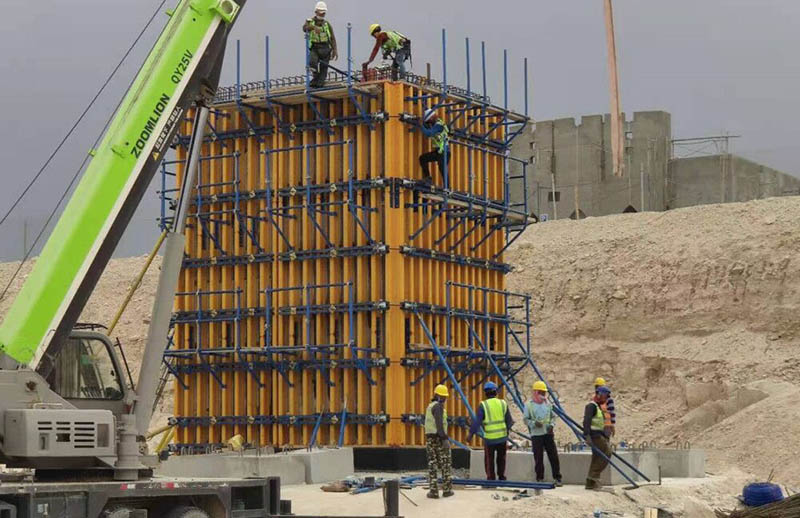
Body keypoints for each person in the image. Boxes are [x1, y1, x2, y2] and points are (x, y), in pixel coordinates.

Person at [467, 381, 513, 481]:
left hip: (490, 439)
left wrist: (470, 434)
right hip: (502, 438)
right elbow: (509, 421)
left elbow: (477, 422)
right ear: (496, 392)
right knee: (501, 459)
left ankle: (491, 479)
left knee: (489, 460)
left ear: (485, 393)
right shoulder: (503, 403)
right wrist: (506, 433)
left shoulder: (483, 405)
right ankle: (501, 477)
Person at [523, 381, 563, 486]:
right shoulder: (528, 405)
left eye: (544, 393)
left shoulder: (548, 404)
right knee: (538, 457)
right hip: (536, 434)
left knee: (553, 456)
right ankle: (539, 478)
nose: (543, 395)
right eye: (541, 392)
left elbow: (553, 416)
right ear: (536, 392)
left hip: (548, 433)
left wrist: (552, 425)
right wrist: (533, 423)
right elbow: (526, 419)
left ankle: (557, 477)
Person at [425, 384, 454, 499]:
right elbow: (439, 424)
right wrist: (444, 439)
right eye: (443, 396)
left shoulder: (430, 406)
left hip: (430, 439)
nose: (445, 399)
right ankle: (446, 490)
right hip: (439, 438)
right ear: (437, 395)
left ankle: (434, 491)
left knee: (432, 464)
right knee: (445, 463)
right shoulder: (438, 407)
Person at [583, 385, 613, 490]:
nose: (606, 398)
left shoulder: (599, 406)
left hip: (600, 435)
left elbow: (602, 421)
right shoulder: (591, 406)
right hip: (595, 436)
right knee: (607, 453)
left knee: (597, 458)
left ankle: (590, 482)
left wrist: (608, 429)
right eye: (605, 396)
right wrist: (586, 436)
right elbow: (586, 421)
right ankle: (594, 478)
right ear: (599, 394)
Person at [302, 2, 338, 88]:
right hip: (315, 47)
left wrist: (335, 50)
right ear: (316, 11)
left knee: (324, 68)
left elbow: (332, 37)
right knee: (312, 63)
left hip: (325, 48)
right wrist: (313, 27)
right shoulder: (310, 22)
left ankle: (319, 83)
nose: (322, 14)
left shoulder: (327, 24)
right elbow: (304, 28)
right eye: (320, 12)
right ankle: (315, 78)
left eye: (323, 12)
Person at [419, 108, 450, 186]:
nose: (429, 123)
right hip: (439, 152)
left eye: (429, 121)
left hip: (444, 152)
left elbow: (428, 133)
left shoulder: (439, 125)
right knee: (423, 158)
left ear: (432, 117)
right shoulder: (437, 124)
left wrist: (420, 125)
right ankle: (428, 178)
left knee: (442, 168)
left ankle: (447, 187)